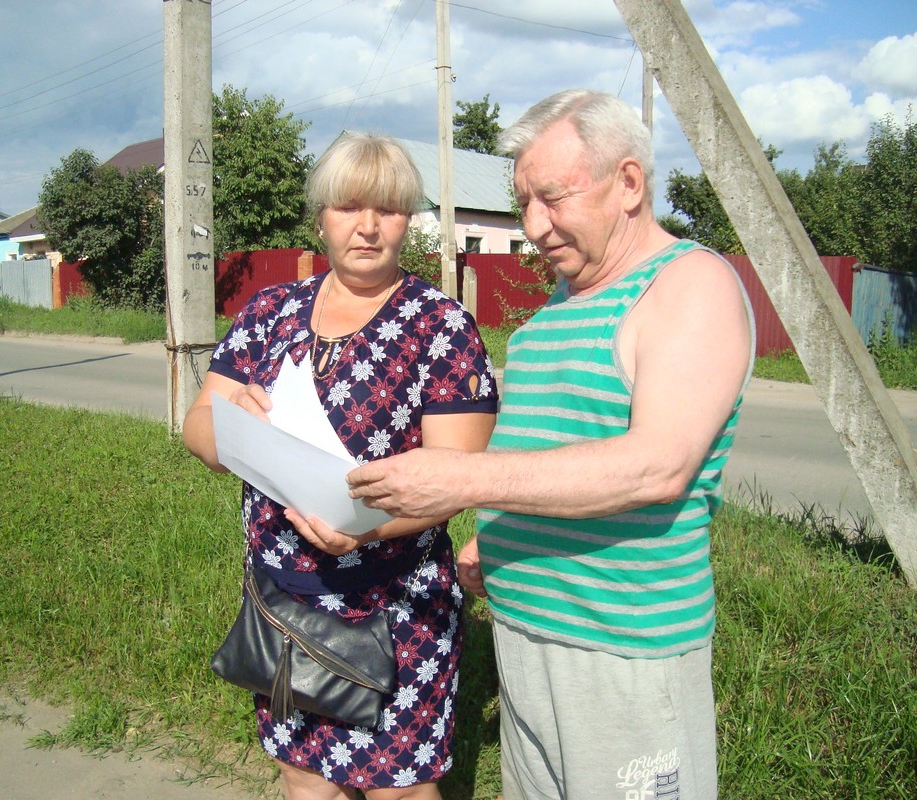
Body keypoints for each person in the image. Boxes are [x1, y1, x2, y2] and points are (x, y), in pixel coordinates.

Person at [348, 90, 755, 800]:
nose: (533, 225)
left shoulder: (688, 285)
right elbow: (553, 457)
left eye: (551, 198)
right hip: (522, 636)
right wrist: (496, 538)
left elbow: (655, 466)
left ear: (627, 183)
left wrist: (461, 483)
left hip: (620, 653)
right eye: (522, 201)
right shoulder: (553, 316)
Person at [182, 132, 498, 800]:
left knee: (399, 789)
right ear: (320, 216)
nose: (367, 225)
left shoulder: (439, 326)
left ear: (406, 220)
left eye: (386, 209)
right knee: (305, 780)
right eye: (348, 207)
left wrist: (365, 531)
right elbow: (198, 431)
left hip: (393, 601)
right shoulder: (268, 313)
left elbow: (455, 477)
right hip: (284, 596)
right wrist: (234, 422)